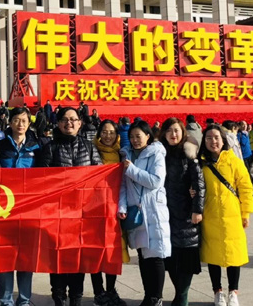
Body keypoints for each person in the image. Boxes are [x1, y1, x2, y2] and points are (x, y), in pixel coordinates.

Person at [41, 107, 101, 306]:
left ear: (80, 123)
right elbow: (42, 180)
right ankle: (58, 298)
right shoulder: (50, 148)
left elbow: (99, 177)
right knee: (57, 258)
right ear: (58, 123)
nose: (69, 123)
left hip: (83, 214)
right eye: (65, 120)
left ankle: (76, 298)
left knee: (78, 259)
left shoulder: (89, 147)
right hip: (57, 214)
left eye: (73, 119)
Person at [198, 125, 253, 306]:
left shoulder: (234, 161)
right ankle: (218, 292)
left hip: (232, 214)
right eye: (208, 138)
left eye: (216, 137)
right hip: (210, 215)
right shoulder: (201, 164)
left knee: (233, 255)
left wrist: (246, 213)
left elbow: (245, 188)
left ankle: (233, 292)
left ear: (223, 140)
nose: (213, 141)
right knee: (213, 255)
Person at [0, 107, 42, 306]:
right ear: (10, 122)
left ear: (29, 123)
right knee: (4, 257)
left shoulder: (37, 146)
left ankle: (24, 300)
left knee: (25, 257)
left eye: (24, 120)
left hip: (28, 209)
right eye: (16, 120)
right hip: (4, 209)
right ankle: (6, 300)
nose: (20, 124)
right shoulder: (0, 146)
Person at [119, 120, 170, 306]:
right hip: (136, 212)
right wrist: (122, 207)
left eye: (138, 136)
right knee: (143, 256)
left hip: (153, 210)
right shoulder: (126, 155)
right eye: (132, 136)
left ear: (148, 136)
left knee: (155, 256)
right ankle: (148, 296)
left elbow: (155, 181)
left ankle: (156, 297)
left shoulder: (156, 153)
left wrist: (131, 169)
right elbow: (123, 185)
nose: (135, 140)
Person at [160, 118, 205, 306]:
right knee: (170, 258)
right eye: (169, 131)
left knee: (186, 256)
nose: (173, 134)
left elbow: (199, 183)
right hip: (165, 213)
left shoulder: (189, 154)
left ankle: (182, 297)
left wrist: (197, 209)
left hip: (186, 213)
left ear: (183, 132)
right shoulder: (159, 154)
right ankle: (180, 295)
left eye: (176, 130)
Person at [87, 119, 129, 306]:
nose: (108, 135)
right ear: (99, 134)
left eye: (111, 132)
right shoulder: (91, 150)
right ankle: (99, 292)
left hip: (114, 208)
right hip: (94, 208)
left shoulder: (122, 154)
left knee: (113, 251)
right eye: (104, 132)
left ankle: (111, 290)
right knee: (95, 251)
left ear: (117, 134)